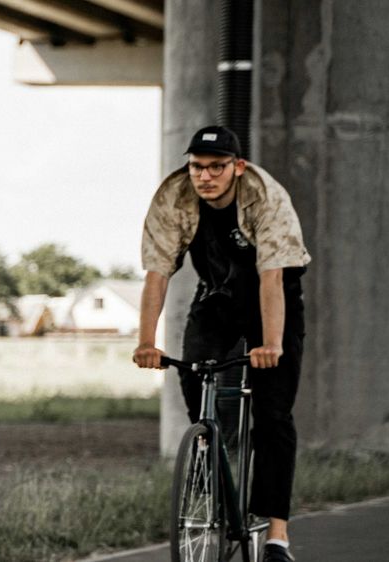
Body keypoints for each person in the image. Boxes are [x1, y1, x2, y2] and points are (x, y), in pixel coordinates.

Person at [132, 126, 309, 562]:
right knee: (193, 373)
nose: (205, 176)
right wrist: (146, 342)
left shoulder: (264, 196)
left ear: (237, 167)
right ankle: (208, 449)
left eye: (216, 167)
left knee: (272, 416)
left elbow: (271, 277)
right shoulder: (173, 198)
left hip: (275, 296)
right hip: (217, 296)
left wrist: (270, 344)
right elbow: (157, 274)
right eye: (197, 166)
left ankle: (276, 537)